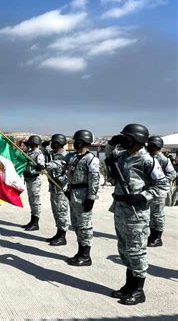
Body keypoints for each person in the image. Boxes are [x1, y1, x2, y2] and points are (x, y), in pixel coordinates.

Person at [105, 124, 167, 305]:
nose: (123, 140)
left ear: (137, 140)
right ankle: (129, 285)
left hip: (136, 213)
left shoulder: (148, 160)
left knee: (136, 251)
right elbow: (109, 155)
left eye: (126, 138)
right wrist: (111, 143)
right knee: (124, 249)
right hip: (121, 209)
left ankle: (139, 291)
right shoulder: (123, 156)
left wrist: (143, 196)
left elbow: (162, 185)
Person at [64, 130, 100, 267]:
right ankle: (80, 252)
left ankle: (86, 255)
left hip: (83, 194)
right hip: (73, 193)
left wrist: (91, 198)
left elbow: (94, 179)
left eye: (76, 140)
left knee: (85, 226)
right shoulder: (74, 157)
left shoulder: (91, 159)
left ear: (83, 141)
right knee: (76, 224)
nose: (74, 143)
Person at [145, 136, 176, 247]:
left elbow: (172, 174)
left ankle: (157, 237)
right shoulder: (147, 157)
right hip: (149, 191)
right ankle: (152, 235)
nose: (147, 147)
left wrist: (160, 181)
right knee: (150, 214)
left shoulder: (163, 159)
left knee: (157, 215)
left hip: (159, 192)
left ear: (156, 146)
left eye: (150, 145)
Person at [44, 134, 70, 246]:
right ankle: (58, 232)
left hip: (61, 188)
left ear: (59, 143)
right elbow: (44, 153)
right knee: (56, 211)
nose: (52, 144)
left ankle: (62, 236)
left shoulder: (66, 156)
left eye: (54, 142)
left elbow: (67, 170)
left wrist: (61, 179)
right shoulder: (53, 154)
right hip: (53, 187)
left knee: (62, 211)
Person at [21, 135, 45, 231]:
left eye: (30, 142)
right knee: (31, 200)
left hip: (34, 180)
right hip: (28, 179)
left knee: (35, 201)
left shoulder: (39, 154)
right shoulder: (29, 152)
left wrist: (34, 170)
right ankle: (32, 220)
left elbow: (41, 169)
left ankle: (36, 222)